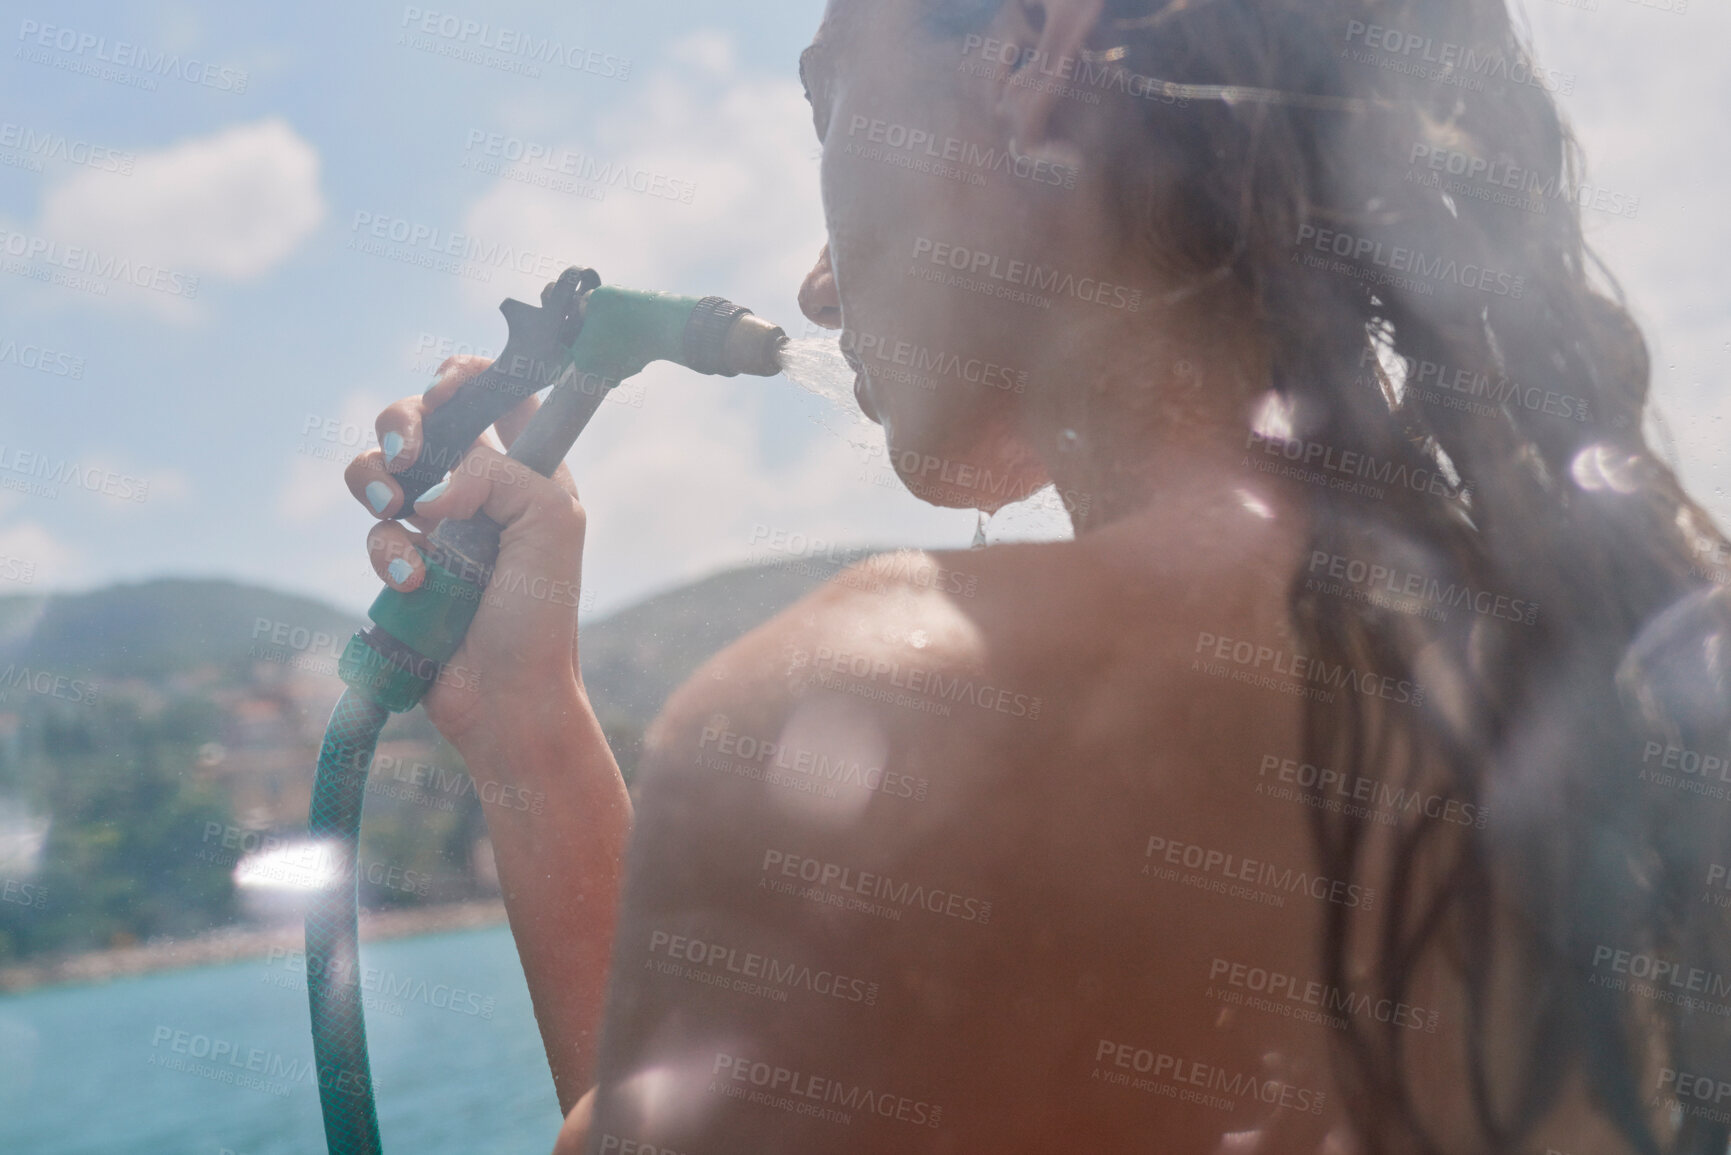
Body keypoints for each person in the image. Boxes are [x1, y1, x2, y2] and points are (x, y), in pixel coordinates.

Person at [346, 1, 1731, 1151]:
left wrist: (533, 758)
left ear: (1031, 50)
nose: (820, 289)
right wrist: (529, 724)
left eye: (831, 107)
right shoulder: (1575, 646)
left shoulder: (897, 711)